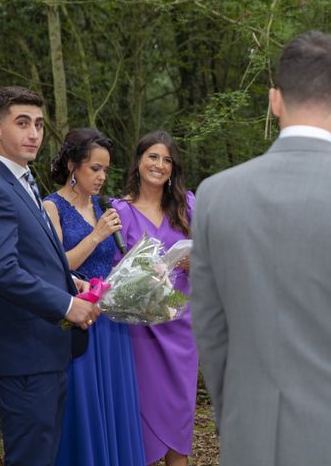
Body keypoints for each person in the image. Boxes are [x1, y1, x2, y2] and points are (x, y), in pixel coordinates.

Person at [190, 31, 331, 465]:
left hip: (251, 439)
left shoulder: (216, 194)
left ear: (274, 100)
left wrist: (236, 419)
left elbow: (212, 332)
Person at [0, 86, 100, 466]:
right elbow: (0, 271)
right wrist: (65, 304)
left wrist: (67, 279)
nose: (34, 134)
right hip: (24, 356)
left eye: (40, 125)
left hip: (44, 352)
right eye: (22, 123)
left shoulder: (22, 181)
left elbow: (29, 257)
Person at [43, 128, 145, 466]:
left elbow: (110, 262)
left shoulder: (102, 207)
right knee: (84, 409)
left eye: (106, 170)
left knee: (114, 408)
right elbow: (56, 267)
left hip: (111, 327)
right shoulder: (51, 207)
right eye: (94, 169)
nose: (102, 177)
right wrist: (97, 234)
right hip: (77, 323)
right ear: (73, 165)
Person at [111, 130, 198, 466]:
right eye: (153, 157)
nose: (159, 165)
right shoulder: (120, 211)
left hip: (181, 331)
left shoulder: (188, 205)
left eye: (166, 160)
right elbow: (113, 276)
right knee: (142, 422)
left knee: (180, 418)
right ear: (138, 161)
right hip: (139, 333)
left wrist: (195, 265)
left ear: (173, 168)